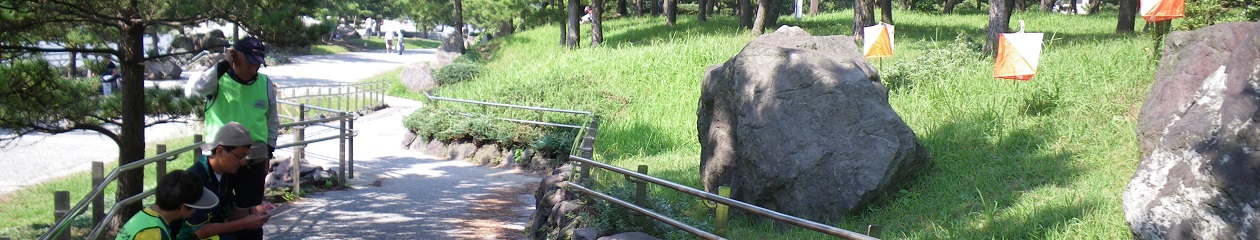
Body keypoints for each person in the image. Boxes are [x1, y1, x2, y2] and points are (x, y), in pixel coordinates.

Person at [182, 37, 279, 240]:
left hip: (254, 159)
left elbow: (272, 121)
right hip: (222, 160)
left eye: (258, 62)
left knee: (251, 211)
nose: (255, 67)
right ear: (236, 56)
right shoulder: (218, 79)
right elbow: (194, 90)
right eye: (251, 61)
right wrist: (223, 63)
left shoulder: (264, 83)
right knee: (216, 212)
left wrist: (269, 151)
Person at [177, 122, 277, 240]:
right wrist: (244, 223)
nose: (242, 162)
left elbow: (229, 212)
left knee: (252, 233)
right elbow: (200, 231)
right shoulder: (195, 179)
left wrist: (253, 210)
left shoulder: (223, 174)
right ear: (220, 151)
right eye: (240, 156)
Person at [116, 170, 219, 240]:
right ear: (183, 207)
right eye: (196, 207)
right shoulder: (154, 233)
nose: (195, 211)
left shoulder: (146, 216)